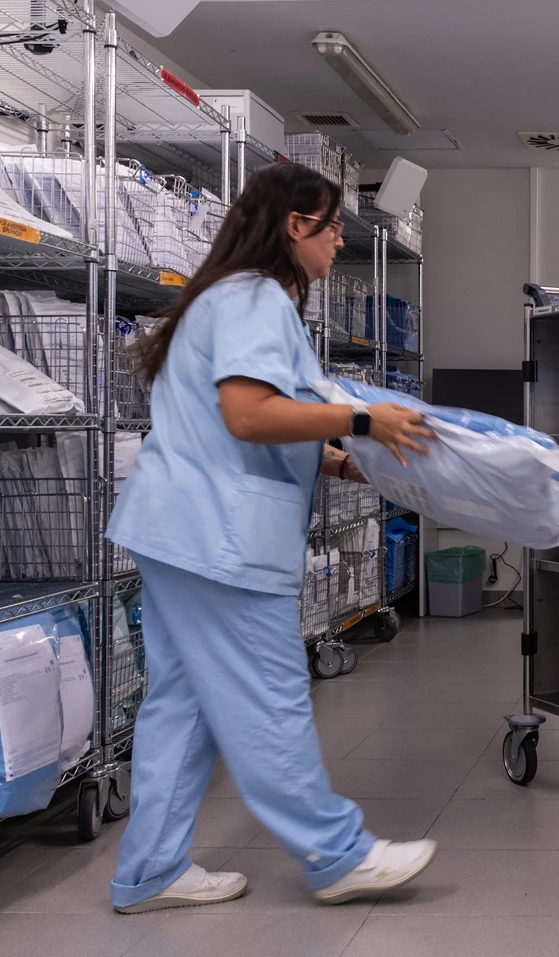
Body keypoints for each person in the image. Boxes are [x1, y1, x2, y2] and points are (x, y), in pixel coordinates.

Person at [104, 162, 438, 913]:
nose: (340, 239)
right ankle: (337, 854)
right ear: (296, 225)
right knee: (269, 696)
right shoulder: (255, 297)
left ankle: (150, 869)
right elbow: (247, 414)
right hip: (219, 539)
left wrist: (329, 457)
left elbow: (236, 425)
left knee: (182, 704)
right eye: (333, 226)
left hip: (180, 528)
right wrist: (362, 419)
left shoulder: (226, 297)